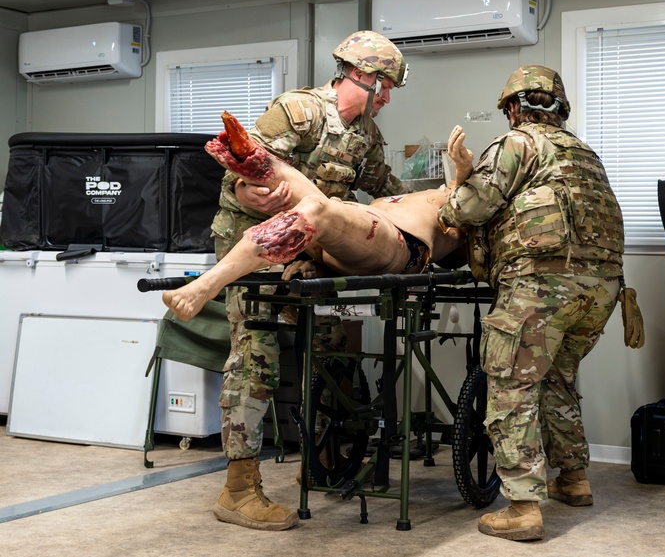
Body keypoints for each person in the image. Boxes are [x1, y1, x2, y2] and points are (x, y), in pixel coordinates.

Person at [208, 30, 412, 531]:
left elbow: (388, 189)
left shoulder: (366, 135)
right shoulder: (298, 112)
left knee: (336, 347)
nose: (386, 98)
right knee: (257, 357)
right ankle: (238, 490)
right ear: (360, 75)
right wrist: (244, 192)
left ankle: (327, 460)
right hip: (252, 251)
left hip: (308, 256)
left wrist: (428, 211)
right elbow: (237, 174)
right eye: (383, 86)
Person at [438, 65, 625, 541]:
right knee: (558, 380)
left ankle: (522, 506)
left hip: (542, 284)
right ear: (560, 108)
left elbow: (470, 208)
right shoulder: (585, 153)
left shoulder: (517, 144)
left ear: (514, 107)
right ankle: (573, 479)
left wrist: (449, 198)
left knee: (510, 385)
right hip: (600, 289)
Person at [163, 115, 463, 321]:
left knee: (317, 209)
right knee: (284, 180)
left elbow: (470, 217)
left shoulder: (458, 207)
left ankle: (206, 285)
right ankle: (249, 161)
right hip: (358, 231)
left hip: (401, 245)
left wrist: (463, 170)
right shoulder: (422, 194)